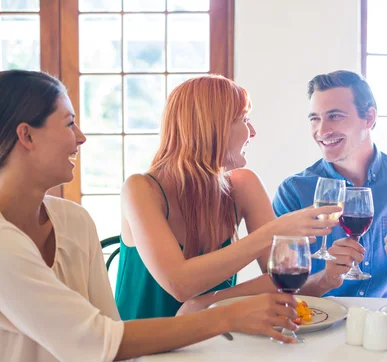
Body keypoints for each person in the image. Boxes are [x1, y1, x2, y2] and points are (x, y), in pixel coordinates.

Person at [0, 70, 301, 362]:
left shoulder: (75, 221)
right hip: (154, 361)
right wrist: (223, 314)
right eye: (69, 123)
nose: (82, 137)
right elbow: (99, 339)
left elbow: (111, 351)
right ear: (27, 136)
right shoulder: (141, 189)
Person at [116, 75, 343, 320]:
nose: (253, 132)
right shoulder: (140, 189)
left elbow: (281, 278)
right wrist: (273, 231)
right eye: (244, 119)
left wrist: (206, 304)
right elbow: (179, 284)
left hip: (211, 342)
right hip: (142, 349)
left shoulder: (242, 185)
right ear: (212, 126)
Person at [272, 70, 387, 299]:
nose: (322, 131)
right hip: (321, 327)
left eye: (335, 116)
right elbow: (283, 293)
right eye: (315, 118)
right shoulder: (293, 192)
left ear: (369, 118)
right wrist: (325, 280)